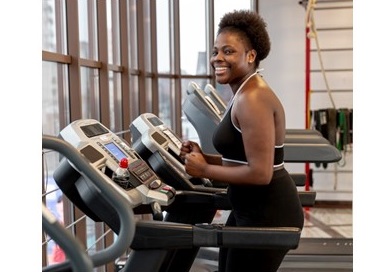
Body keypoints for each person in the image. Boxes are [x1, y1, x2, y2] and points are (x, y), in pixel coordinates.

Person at [180, 10, 304, 272]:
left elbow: (260, 173)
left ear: (251, 55)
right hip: (249, 209)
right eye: (215, 52)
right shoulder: (243, 91)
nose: (218, 59)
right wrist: (205, 157)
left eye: (229, 51)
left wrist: (204, 170)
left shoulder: (252, 99)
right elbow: (240, 159)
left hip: (268, 213)